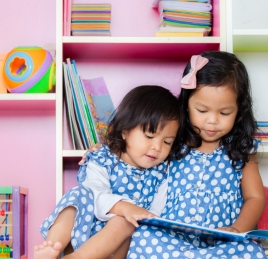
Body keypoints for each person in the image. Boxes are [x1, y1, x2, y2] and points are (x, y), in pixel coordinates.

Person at [81, 51, 267, 259]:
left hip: (223, 241)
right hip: (172, 239)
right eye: (202, 111)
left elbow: (255, 197)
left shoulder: (241, 150)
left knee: (250, 251)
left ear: (239, 110)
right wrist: (103, 149)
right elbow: (133, 150)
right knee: (143, 237)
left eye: (224, 113)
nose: (212, 121)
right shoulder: (172, 140)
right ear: (187, 105)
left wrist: (236, 230)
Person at [34, 85, 181, 259]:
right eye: (149, 136)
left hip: (118, 245)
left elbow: (155, 213)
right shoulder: (103, 158)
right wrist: (124, 207)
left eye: (167, 142)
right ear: (125, 131)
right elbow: (96, 192)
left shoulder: (163, 172)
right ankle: (53, 248)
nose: (157, 147)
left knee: (125, 221)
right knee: (78, 194)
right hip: (84, 233)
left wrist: (134, 215)